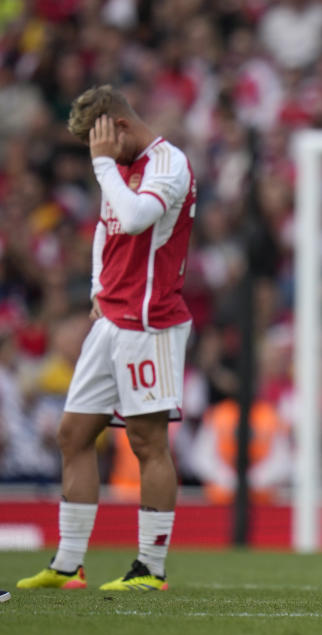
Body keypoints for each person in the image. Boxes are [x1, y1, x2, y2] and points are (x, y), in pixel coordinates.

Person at [18, 85, 196, 592]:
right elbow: (107, 227)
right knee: (72, 434)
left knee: (146, 441)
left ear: (118, 125)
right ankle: (68, 564)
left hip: (151, 322)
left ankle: (150, 569)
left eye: (98, 141)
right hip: (111, 320)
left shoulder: (168, 163)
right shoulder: (114, 166)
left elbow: (139, 216)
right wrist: (99, 287)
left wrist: (101, 166)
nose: (94, 154)